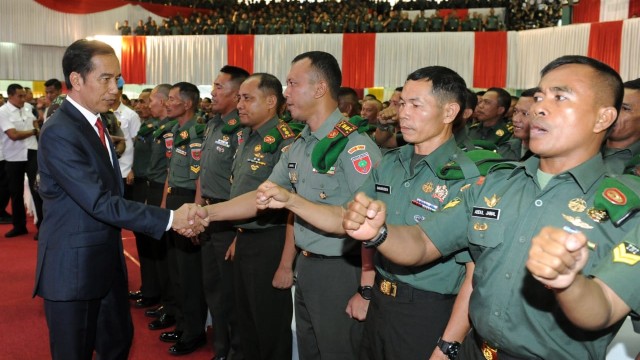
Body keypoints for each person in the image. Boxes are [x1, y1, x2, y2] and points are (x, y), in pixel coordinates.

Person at [342, 55, 638, 359]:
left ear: (603, 118)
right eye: (539, 96)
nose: (538, 107)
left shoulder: (629, 208)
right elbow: (422, 243)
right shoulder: (496, 184)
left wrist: (569, 284)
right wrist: (379, 233)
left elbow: (604, 308)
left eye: (560, 97)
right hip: (475, 350)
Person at [255, 66, 485, 360]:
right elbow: (346, 218)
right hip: (381, 301)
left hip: (429, 309)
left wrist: (448, 345)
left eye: (416, 105)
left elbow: (472, 275)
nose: (404, 113)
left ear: (450, 111)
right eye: (402, 103)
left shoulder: (465, 178)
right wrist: (291, 200)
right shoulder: (391, 163)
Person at [193, 51, 382, 360]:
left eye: (293, 84)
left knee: (338, 352)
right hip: (307, 266)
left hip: (340, 270)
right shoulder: (301, 144)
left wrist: (366, 289)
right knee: (310, 351)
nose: (286, 93)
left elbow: (364, 223)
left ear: (320, 89)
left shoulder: (355, 147)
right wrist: (206, 213)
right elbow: (261, 196)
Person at [32, 39, 206, 360]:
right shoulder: (61, 131)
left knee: (118, 345)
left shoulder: (96, 123)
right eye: (106, 79)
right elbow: (99, 202)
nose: (116, 87)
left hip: (105, 264)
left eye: (118, 78)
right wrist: (171, 218)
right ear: (76, 79)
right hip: (74, 271)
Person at [227, 73, 298, 359]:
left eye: (247, 98)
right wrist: (237, 236)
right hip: (246, 238)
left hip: (272, 242)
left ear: (271, 101)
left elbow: (293, 206)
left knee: (269, 326)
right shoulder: (246, 136)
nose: (240, 104)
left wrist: (285, 264)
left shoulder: (284, 141)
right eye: (239, 98)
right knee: (245, 321)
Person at [198, 65, 249, 360]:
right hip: (208, 215)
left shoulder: (242, 130)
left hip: (230, 219)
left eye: (219, 87)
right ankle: (220, 349)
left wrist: (239, 232)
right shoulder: (213, 124)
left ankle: (236, 351)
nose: (212, 92)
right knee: (214, 289)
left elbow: (244, 186)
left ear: (236, 94)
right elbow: (203, 176)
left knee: (231, 295)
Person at [159, 82, 208, 356]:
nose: (168, 103)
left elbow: (200, 174)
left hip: (190, 201)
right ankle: (181, 321)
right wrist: (165, 202)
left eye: (173, 99)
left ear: (187, 104)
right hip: (175, 198)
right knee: (176, 269)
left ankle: (194, 331)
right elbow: (170, 168)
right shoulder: (175, 130)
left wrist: (197, 208)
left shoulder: (197, 133)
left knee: (189, 272)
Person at [0, 83, 42, 238]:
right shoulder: (3, 112)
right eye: (20, 96)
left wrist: (35, 129)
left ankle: (42, 226)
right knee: (15, 192)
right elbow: (13, 135)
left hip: (32, 151)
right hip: (13, 155)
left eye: (24, 95)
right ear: (10, 96)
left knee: (37, 190)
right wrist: (34, 131)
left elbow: (35, 125)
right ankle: (19, 226)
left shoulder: (28, 108)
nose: (23, 99)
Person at [603, 78, 640, 174]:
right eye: (612, 104)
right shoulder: (582, 145)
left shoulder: (636, 166)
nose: (612, 112)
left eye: (625, 108)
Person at [497, 88, 536, 160]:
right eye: (515, 111)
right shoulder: (506, 149)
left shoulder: (549, 158)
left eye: (525, 113)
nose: (515, 119)